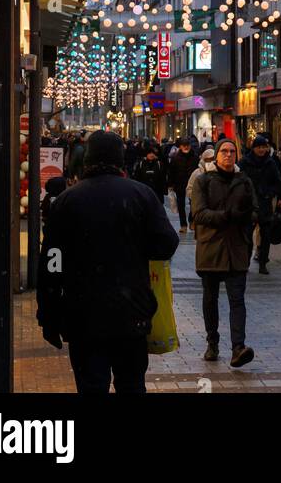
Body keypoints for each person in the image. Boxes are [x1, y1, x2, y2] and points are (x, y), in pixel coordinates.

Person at [36, 130, 179, 394]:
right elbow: (166, 244)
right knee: (131, 384)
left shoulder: (68, 200)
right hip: (131, 312)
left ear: (87, 160)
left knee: (91, 386)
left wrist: (48, 315)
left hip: (83, 314)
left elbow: (51, 263)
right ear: (120, 159)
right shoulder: (141, 195)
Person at [191, 137, 258, 367]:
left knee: (237, 300)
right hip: (211, 248)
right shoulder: (203, 181)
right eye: (224, 152)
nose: (229, 155)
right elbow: (199, 214)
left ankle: (238, 347)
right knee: (210, 300)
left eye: (232, 151)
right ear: (216, 155)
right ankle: (212, 341)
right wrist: (226, 216)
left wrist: (250, 217)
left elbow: (254, 209)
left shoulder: (244, 180)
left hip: (237, 249)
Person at [240, 135, 281, 274]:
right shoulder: (245, 162)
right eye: (259, 147)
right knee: (247, 236)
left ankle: (263, 262)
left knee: (266, 236)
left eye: (264, 147)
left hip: (264, 203)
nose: (262, 150)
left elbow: (277, 182)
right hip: (249, 204)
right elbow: (238, 179)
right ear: (253, 148)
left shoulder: (270, 163)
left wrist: (270, 193)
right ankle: (245, 263)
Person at [168, 138, 199, 234]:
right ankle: (183, 225)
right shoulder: (175, 158)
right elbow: (171, 172)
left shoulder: (195, 157)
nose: (186, 147)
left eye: (187, 145)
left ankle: (191, 220)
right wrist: (170, 184)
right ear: (180, 146)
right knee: (181, 205)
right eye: (183, 145)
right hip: (179, 184)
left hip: (193, 184)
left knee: (194, 204)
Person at [187, 145, 217, 228]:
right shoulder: (197, 173)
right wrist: (196, 197)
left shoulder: (220, 172)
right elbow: (189, 188)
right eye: (208, 160)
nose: (210, 162)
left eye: (212, 159)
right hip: (201, 208)